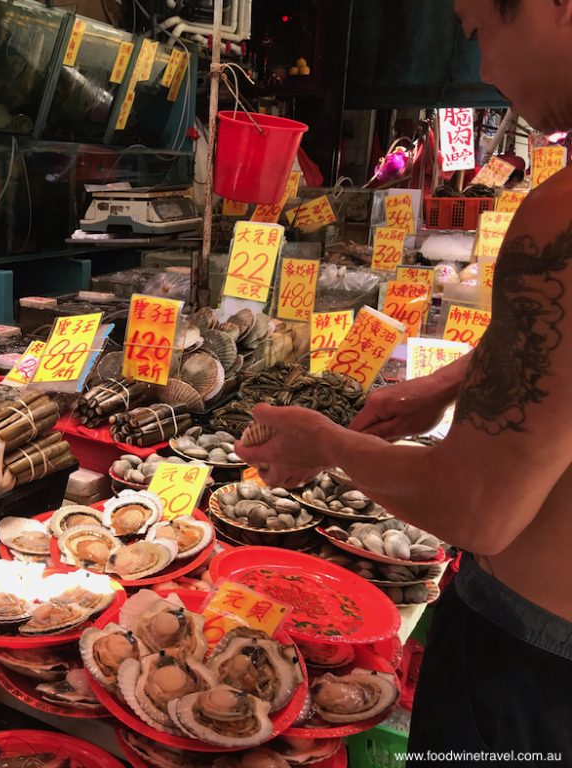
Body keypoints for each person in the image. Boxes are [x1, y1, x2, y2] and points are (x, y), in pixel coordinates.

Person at [236, 1, 572, 765]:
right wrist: (446, 385)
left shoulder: (562, 219)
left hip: (534, 667)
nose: (483, 67)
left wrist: (326, 442)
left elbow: (475, 507)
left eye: (478, 27)